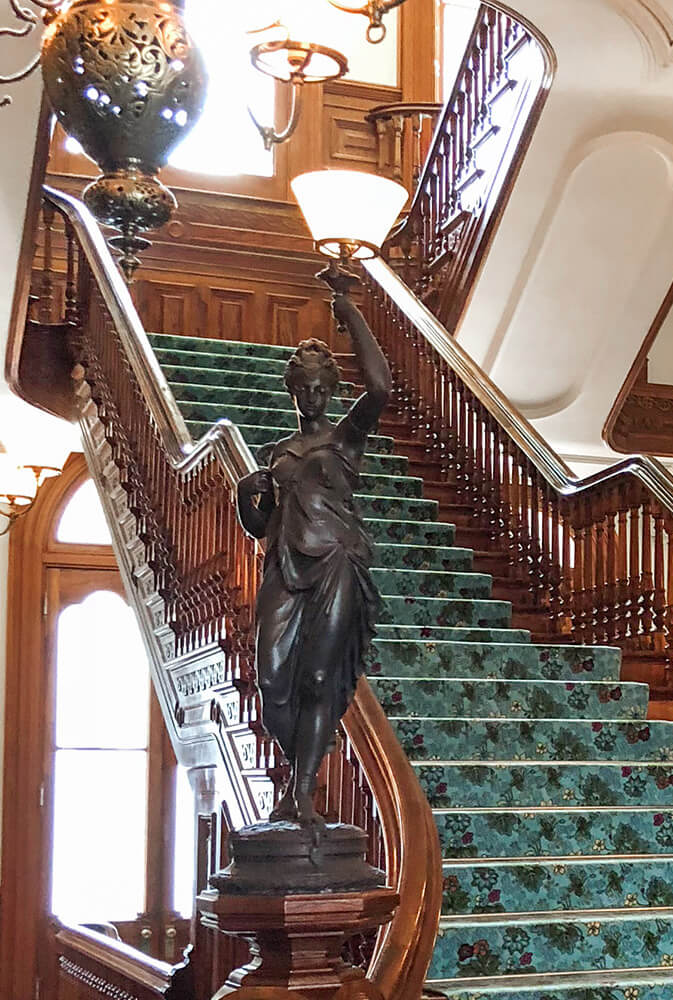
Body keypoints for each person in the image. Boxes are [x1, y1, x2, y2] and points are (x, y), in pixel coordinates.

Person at [235, 267, 391, 829]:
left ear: (332, 389)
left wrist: (346, 307)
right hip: (284, 563)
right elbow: (262, 525)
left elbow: (381, 386)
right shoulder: (280, 448)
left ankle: (300, 790)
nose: (313, 396)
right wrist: (245, 497)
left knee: (320, 678)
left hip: (335, 563)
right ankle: (295, 769)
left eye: (322, 387)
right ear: (291, 390)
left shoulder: (346, 437)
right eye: (303, 388)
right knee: (272, 679)